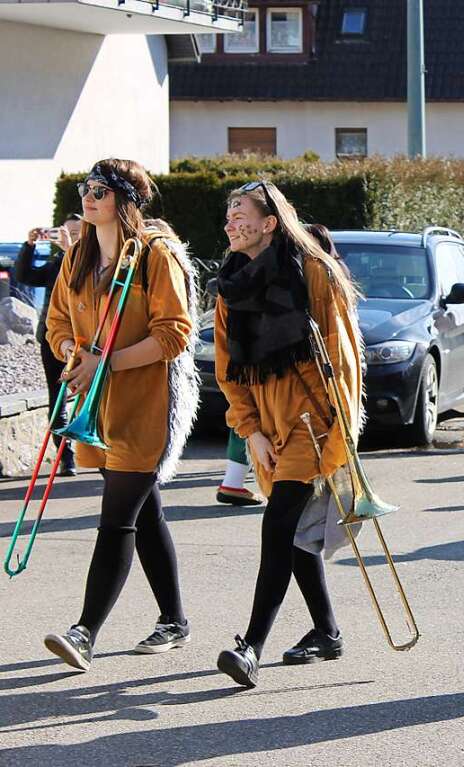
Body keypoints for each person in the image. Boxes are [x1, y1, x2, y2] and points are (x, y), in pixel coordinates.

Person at [42, 159, 199, 670]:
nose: (88, 198)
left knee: (115, 521)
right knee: (144, 513)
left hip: (145, 406)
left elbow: (174, 334)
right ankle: (175, 621)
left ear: (124, 200)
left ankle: (84, 631)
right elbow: (57, 324)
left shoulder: (155, 257)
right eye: (85, 189)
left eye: (100, 191)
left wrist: (103, 363)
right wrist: (73, 352)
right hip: (97, 407)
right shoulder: (79, 256)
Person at [213, 181, 363, 688]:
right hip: (268, 426)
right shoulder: (231, 284)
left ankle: (250, 646)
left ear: (270, 222)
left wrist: (336, 429)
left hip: (313, 422)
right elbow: (229, 371)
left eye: (241, 214)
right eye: (229, 216)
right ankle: (328, 632)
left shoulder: (313, 272)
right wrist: (250, 431)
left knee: (277, 527)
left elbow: (344, 358)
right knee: (298, 536)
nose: (231, 223)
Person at [15, 216, 82, 476]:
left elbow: (85, 283)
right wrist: (29, 246)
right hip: (53, 338)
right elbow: (25, 275)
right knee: (58, 399)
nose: (72, 237)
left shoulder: (94, 260)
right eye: (66, 233)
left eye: (77, 233)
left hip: (87, 340)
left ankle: (103, 454)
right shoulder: (56, 264)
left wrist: (70, 250)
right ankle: (67, 457)